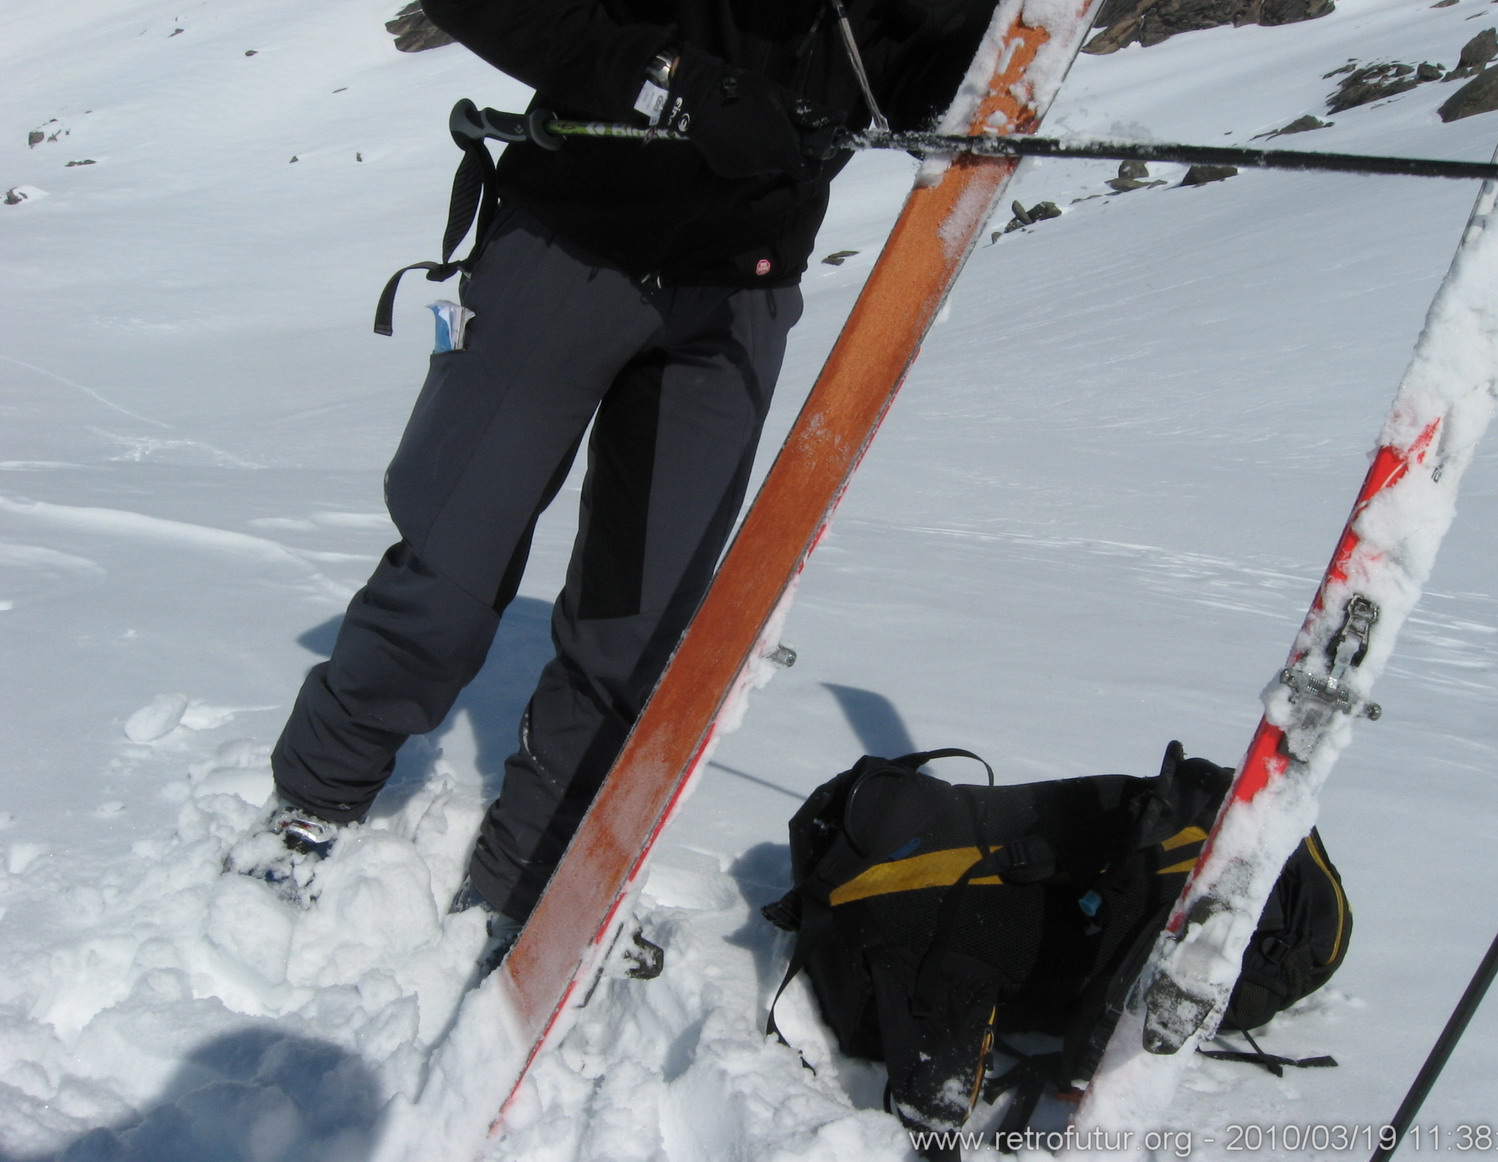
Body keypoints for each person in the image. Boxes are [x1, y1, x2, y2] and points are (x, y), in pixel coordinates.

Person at [251, 0, 997, 962]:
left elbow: (915, 99)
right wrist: (673, 81)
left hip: (737, 295)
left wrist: (957, 42)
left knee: (638, 616)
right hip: (569, 251)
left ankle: (533, 872)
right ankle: (318, 793)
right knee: (453, 556)